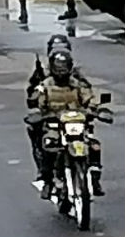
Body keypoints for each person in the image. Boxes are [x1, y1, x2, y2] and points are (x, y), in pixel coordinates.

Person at [36, 50, 104, 199]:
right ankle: (48, 180)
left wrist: (93, 109)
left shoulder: (77, 84)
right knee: (49, 145)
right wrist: (44, 114)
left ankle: (95, 177)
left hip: (78, 124)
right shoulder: (45, 85)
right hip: (56, 125)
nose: (61, 72)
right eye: (58, 68)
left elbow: (89, 98)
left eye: (64, 68)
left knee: (94, 146)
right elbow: (39, 103)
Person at [25, 34, 91, 180]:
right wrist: (38, 104)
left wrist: (93, 108)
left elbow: (88, 94)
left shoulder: (76, 77)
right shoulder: (43, 76)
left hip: (75, 119)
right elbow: (33, 97)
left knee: (93, 144)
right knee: (44, 140)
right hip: (52, 119)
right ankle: (46, 174)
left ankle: (94, 171)